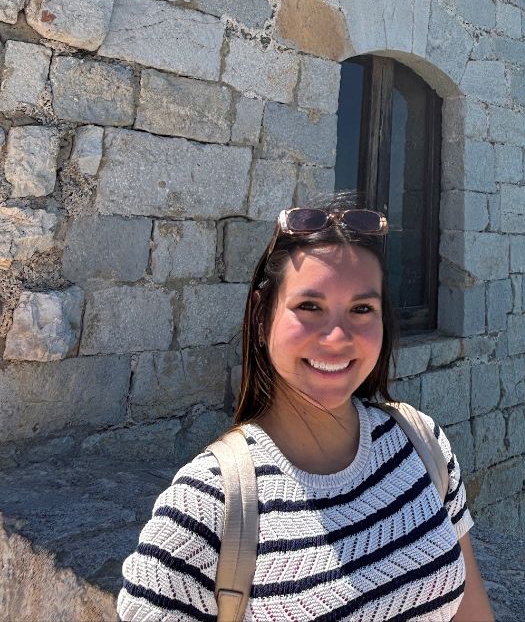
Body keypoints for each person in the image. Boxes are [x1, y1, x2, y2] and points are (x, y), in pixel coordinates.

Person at [118, 200, 495, 621]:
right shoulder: (204, 510)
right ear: (262, 318)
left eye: (361, 309)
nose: (337, 337)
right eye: (309, 307)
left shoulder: (422, 445)